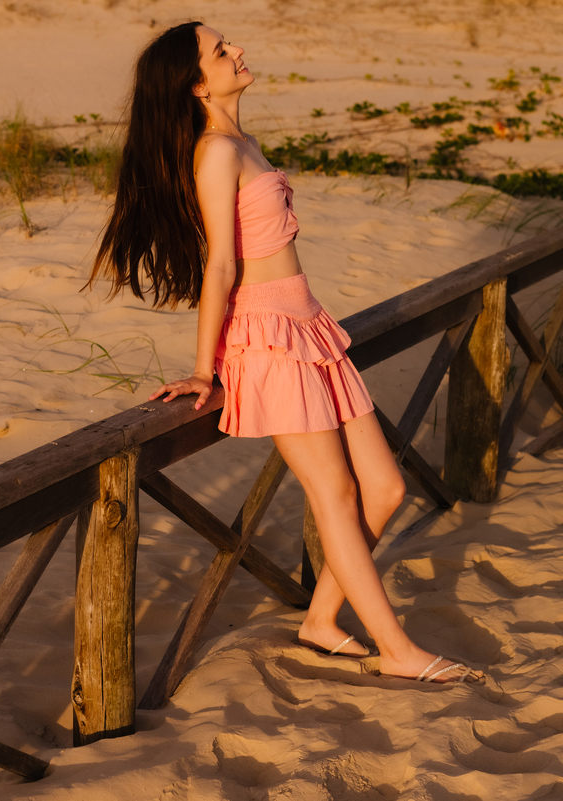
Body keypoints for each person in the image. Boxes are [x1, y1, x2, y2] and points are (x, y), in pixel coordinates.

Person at [87, 21, 482, 683]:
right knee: (334, 495)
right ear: (195, 82)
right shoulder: (216, 151)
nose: (237, 51)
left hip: (308, 323)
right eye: (220, 52)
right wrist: (205, 370)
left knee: (383, 488)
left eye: (228, 43)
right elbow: (219, 266)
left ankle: (321, 620)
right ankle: (397, 650)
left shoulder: (244, 140)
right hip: (268, 335)